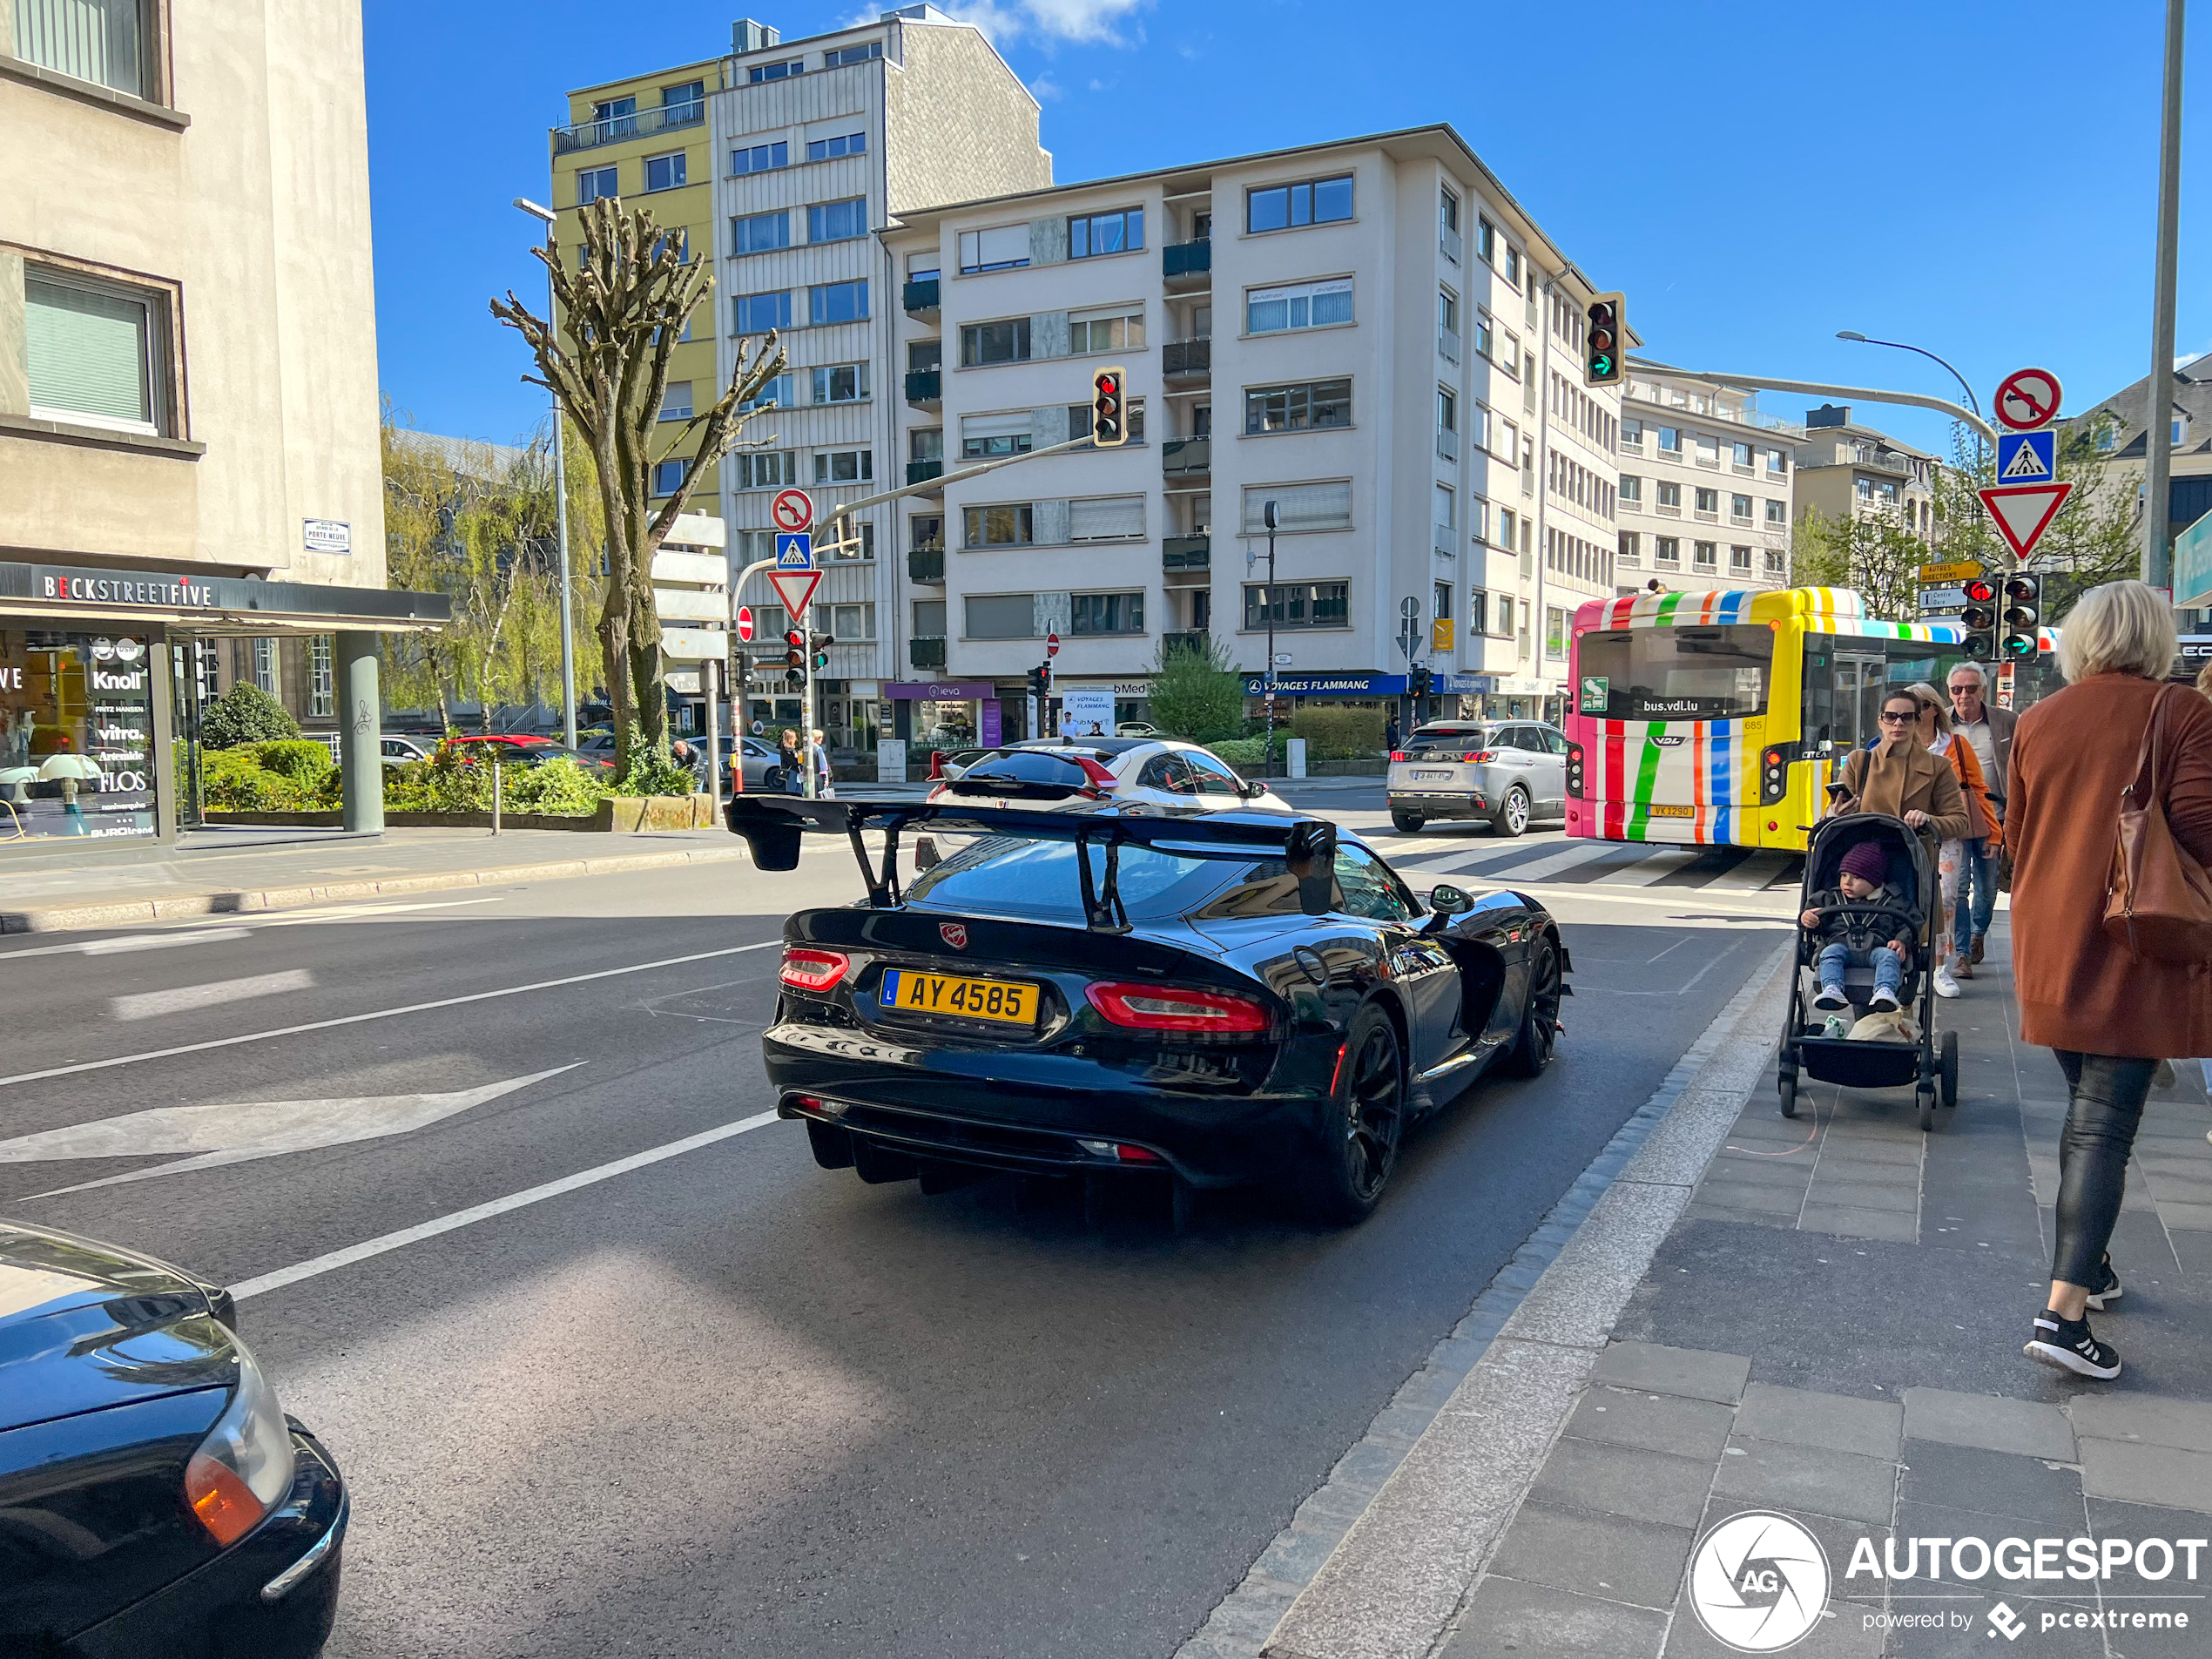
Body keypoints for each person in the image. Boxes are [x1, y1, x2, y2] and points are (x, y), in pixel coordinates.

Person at [2008, 581, 2212, 1381]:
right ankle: (2061, 1315)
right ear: (2155, 637)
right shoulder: (2182, 713)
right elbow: (2198, 825)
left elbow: (2017, 838)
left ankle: (2089, 1267)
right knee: (2103, 1124)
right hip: (2132, 942)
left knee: (2088, 1107)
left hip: (2049, 942)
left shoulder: (2036, 719)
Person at [1907, 682, 2000, 995]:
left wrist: (1994, 834)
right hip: (1904, 836)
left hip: (1946, 834)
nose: (1910, 714)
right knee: (1906, 899)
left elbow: (1979, 792)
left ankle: (1939, 969)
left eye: (1918, 705)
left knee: (1946, 900)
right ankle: (1907, 965)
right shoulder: (1895, 744)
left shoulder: (1956, 745)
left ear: (1933, 709)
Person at [1947, 663, 2015, 968]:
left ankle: (1978, 934)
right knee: (1958, 887)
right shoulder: (1941, 725)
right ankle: (1962, 951)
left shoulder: (2007, 723)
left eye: (1971, 688)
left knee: (1987, 887)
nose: (1964, 695)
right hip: (1955, 821)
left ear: (1983, 691)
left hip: (1995, 818)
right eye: (1957, 689)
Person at [1803, 840, 1912, 1013]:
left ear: (1875, 881)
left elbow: (1910, 923)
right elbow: (1813, 915)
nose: (1847, 882)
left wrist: (1901, 941)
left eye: (1857, 877)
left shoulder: (1893, 901)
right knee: (1829, 953)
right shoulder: (1831, 898)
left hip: (1877, 949)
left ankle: (1884, 991)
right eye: (1844, 875)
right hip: (1840, 946)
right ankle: (1832, 988)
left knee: (1889, 956)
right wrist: (1808, 918)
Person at [777, 728, 804, 795]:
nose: (795, 739)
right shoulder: (785, 749)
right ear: (790, 738)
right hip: (790, 771)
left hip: (797, 772)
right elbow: (792, 761)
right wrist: (797, 760)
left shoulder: (794, 748)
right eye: (794, 737)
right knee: (792, 791)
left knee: (799, 790)